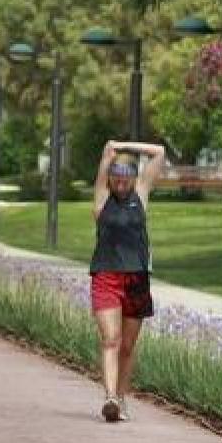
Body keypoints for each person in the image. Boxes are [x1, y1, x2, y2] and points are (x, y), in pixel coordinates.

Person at [89, 139, 166, 422]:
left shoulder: (141, 194)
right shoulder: (101, 198)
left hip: (136, 278)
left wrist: (125, 145)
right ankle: (109, 398)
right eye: (116, 176)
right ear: (110, 177)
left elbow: (159, 152)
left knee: (127, 346)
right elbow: (105, 153)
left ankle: (121, 398)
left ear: (134, 178)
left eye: (126, 177)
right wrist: (109, 151)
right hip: (106, 275)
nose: (121, 182)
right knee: (111, 339)